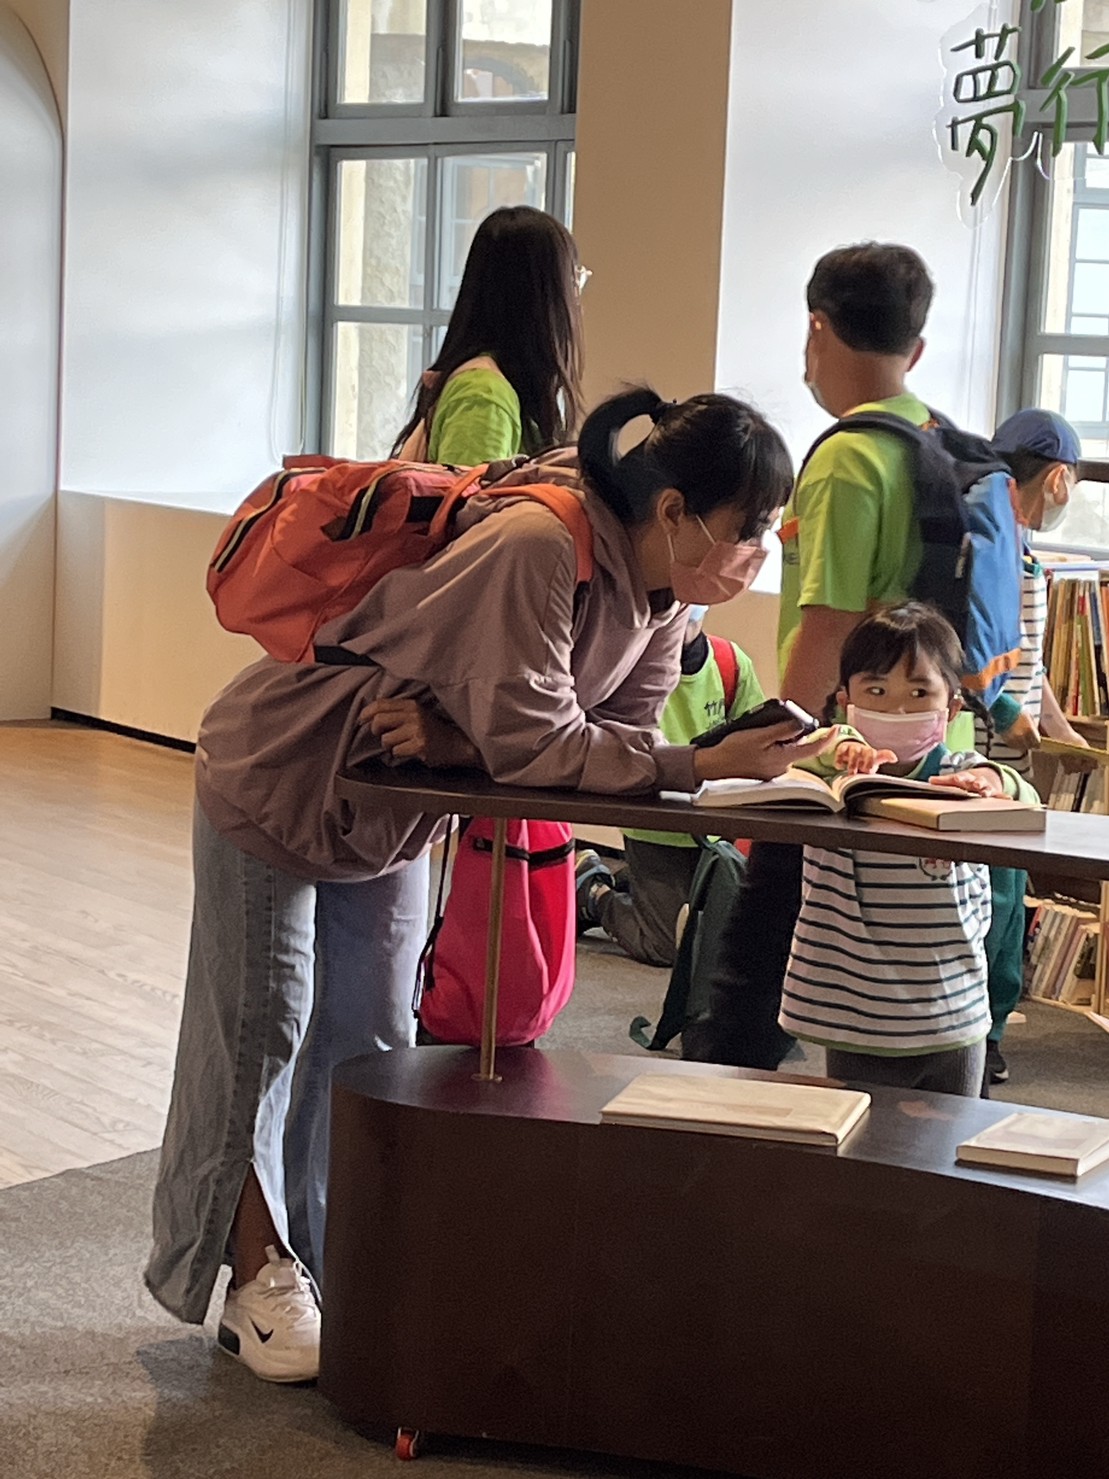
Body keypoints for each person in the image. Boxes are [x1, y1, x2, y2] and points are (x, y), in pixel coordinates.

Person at [145, 384, 827, 1383]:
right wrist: (672, 761)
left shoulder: (665, 597)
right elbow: (550, 746)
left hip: (392, 806)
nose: (757, 550)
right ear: (674, 510)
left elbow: (595, 746)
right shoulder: (540, 546)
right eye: (747, 527)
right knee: (259, 1035)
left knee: (370, 1044)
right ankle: (256, 1278)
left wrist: (475, 745)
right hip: (281, 775)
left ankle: (337, 1260)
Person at [283, 204, 589, 1280]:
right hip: (389, 718)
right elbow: (457, 565)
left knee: (366, 1001)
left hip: (405, 720)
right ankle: (324, 1241)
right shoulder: (486, 393)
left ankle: (345, 1238)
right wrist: (451, 726)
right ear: (544, 287)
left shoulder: (475, 382)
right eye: (575, 275)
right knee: (355, 1006)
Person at [686, 241, 964, 1068]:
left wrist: (778, 746)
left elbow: (829, 624)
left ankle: (713, 1125)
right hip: (932, 753)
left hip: (839, 760)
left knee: (749, 979)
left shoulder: (845, 457)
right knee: (909, 971)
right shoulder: (940, 441)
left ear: (816, 328)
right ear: (916, 347)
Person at [779, 603, 1037, 1096]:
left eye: (920, 693)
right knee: (856, 1131)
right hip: (856, 1009)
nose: (897, 709)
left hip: (951, 1006)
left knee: (951, 1133)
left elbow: (1022, 792)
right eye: (876, 692)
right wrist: (838, 747)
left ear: (951, 708)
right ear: (845, 702)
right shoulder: (827, 775)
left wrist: (990, 779)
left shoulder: (958, 773)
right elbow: (795, 762)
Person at [974, 408, 1094, 1085]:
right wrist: (1004, 715)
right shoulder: (991, 542)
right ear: (1055, 477)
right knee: (994, 899)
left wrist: (1058, 725)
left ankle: (991, 1024)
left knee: (1010, 895)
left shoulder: (1021, 547)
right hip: (985, 755)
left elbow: (1028, 658)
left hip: (1016, 755)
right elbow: (973, 647)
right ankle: (982, 1034)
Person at [575, 605, 764, 966]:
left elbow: (755, 742)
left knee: (722, 929)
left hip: (712, 829)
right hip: (654, 825)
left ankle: (636, 884)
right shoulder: (632, 661)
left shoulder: (730, 662)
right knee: (668, 946)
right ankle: (592, 891)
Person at [393, 204, 584, 466]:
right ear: (541, 298)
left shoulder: (494, 387)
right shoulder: (484, 395)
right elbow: (467, 492)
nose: (576, 301)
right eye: (573, 282)